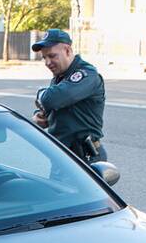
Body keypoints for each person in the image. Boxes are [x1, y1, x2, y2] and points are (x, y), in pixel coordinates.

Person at [31, 29, 107, 164]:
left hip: (85, 158)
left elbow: (51, 99)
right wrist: (40, 116)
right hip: (63, 156)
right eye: (44, 57)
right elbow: (51, 106)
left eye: (52, 56)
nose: (47, 62)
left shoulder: (86, 74)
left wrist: (41, 94)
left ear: (67, 51)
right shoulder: (60, 76)